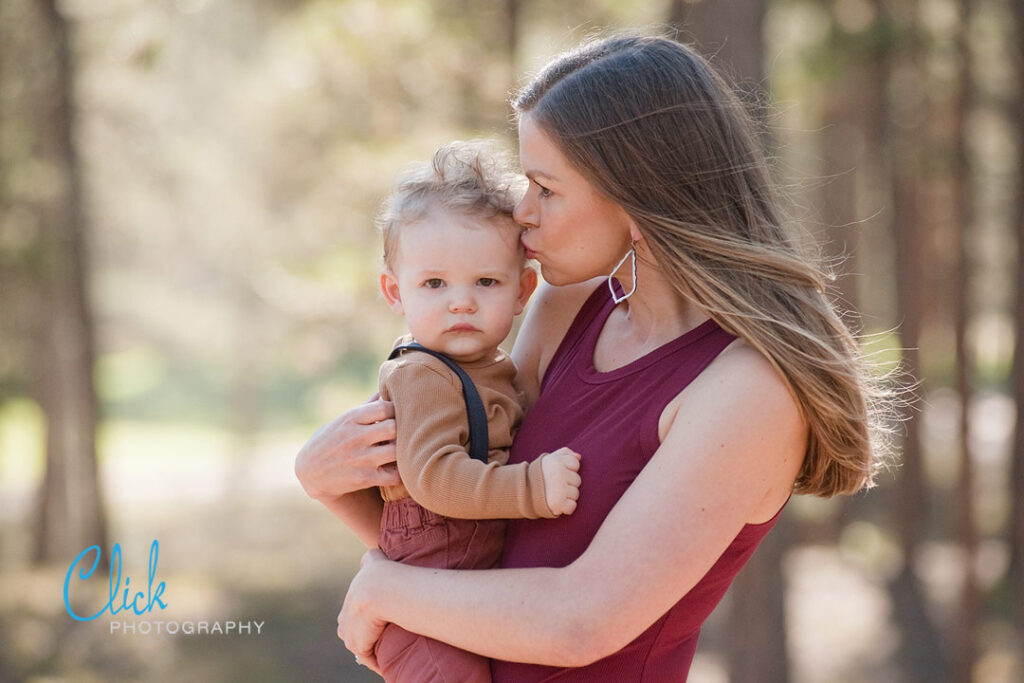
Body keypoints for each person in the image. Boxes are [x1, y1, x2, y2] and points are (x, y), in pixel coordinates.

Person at [295, 33, 895, 681]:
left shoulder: (746, 392)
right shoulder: (570, 303)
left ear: (639, 201)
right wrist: (328, 482)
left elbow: (581, 620)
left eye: (545, 188)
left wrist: (385, 591)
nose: (522, 212)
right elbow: (469, 539)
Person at [351, 140, 583, 682]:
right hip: (424, 604)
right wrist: (533, 488)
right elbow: (434, 479)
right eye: (434, 284)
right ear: (395, 292)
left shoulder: (494, 368)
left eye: (486, 282)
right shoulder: (421, 375)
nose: (461, 301)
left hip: (460, 591)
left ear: (523, 289)